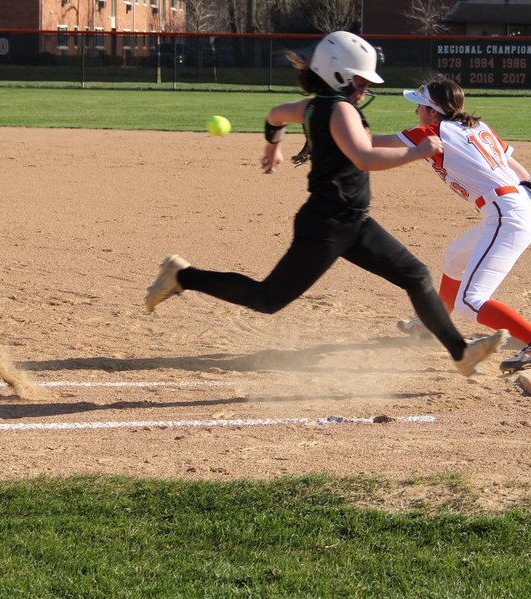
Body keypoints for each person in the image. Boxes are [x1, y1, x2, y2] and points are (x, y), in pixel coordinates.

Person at [144, 31, 507, 376]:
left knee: (416, 276)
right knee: (267, 299)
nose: (364, 89)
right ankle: (182, 276)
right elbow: (365, 157)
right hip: (327, 225)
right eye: (360, 81)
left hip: (353, 222)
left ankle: (460, 352)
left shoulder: (315, 106)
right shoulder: (341, 109)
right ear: (337, 75)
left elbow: (275, 114)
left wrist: (273, 146)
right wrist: (418, 152)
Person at [378, 76, 531, 372]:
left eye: (420, 106)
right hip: (520, 206)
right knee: (456, 255)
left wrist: (331, 132)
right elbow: (521, 173)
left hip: (507, 213)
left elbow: (370, 143)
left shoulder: (432, 131)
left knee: (470, 301)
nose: (416, 111)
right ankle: (433, 323)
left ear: (432, 110)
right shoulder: (477, 127)